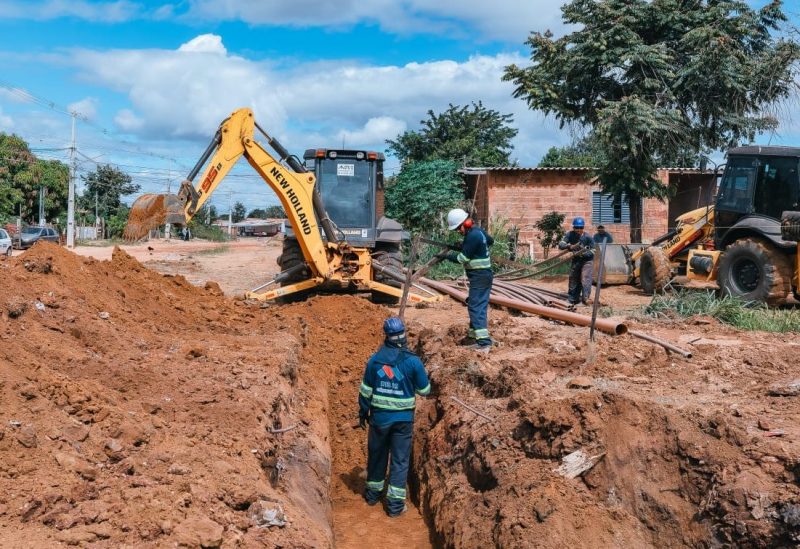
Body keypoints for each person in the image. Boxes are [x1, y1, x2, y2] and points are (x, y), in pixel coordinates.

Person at [358, 317, 431, 517]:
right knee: (400, 461)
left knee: (377, 456)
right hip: (403, 422)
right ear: (404, 334)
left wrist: (363, 413)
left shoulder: (375, 361)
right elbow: (425, 390)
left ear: (386, 335)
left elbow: (365, 392)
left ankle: (373, 496)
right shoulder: (413, 361)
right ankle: (395, 506)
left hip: (379, 420)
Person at [441, 208, 494, 353]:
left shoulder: (472, 236)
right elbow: (491, 241)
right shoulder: (478, 232)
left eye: (459, 228)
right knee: (475, 304)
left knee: (476, 307)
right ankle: (473, 337)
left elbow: (462, 259)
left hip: (479, 277)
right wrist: (467, 246)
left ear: (466, 224)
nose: (458, 231)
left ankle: (484, 343)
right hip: (484, 276)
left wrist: (446, 256)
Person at [558, 217, 595, 305]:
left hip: (587, 261)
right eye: (577, 228)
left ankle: (585, 299)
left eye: (581, 228)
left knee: (585, 278)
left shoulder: (588, 238)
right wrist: (569, 246)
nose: (578, 230)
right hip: (576, 260)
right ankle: (572, 299)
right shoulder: (570, 235)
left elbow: (593, 251)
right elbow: (561, 244)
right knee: (573, 278)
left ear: (583, 228)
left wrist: (582, 254)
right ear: (573, 227)